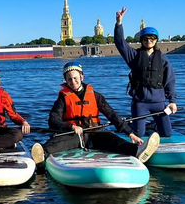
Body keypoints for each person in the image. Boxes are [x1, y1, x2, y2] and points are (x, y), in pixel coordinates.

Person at [30, 62, 160, 165]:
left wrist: (130, 133)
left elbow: (112, 115)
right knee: (57, 143)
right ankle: (41, 155)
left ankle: (137, 151)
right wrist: (71, 127)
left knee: (113, 140)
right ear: (65, 81)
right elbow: (53, 120)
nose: (73, 82)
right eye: (69, 79)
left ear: (82, 77)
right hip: (73, 135)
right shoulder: (63, 98)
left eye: (75, 78)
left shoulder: (96, 96)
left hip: (94, 133)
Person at [114, 7, 178, 136]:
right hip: (140, 103)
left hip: (159, 104)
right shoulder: (134, 56)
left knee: (167, 134)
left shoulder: (163, 59)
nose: (149, 41)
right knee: (139, 135)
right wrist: (119, 23)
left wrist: (172, 101)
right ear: (142, 40)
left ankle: (152, 126)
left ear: (156, 40)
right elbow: (120, 43)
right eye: (146, 39)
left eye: (152, 39)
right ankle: (134, 127)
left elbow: (170, 80)